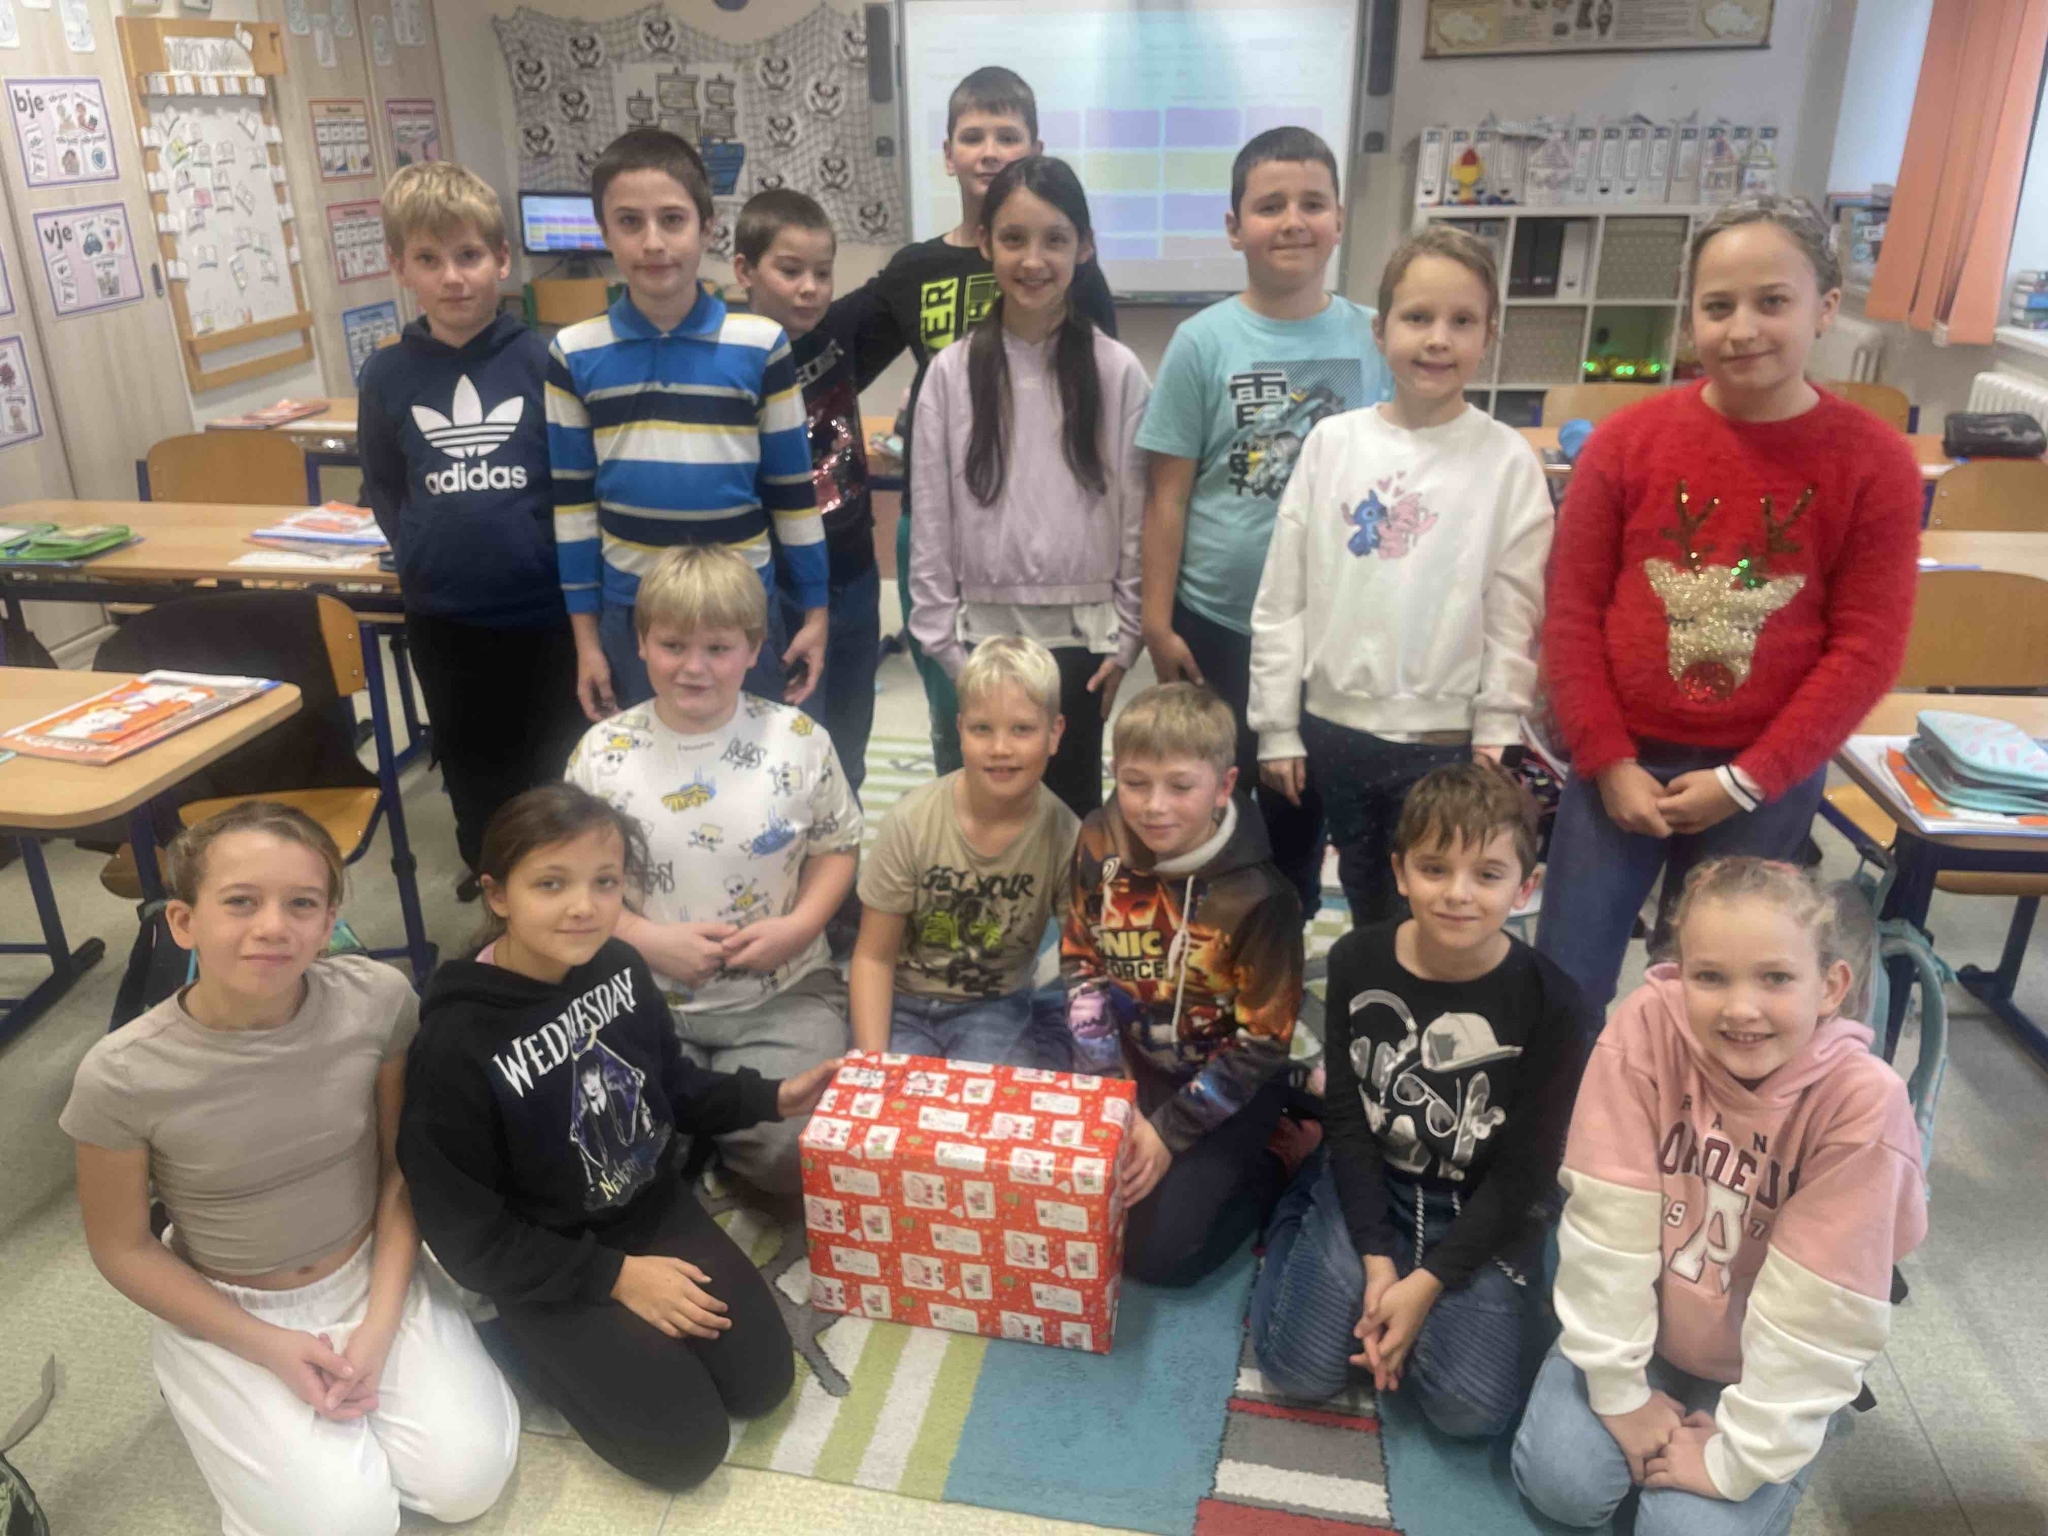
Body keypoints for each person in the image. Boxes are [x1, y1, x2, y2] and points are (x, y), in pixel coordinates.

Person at [62, 802, 516, 1536]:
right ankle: (202, 1384)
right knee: (346, 1524)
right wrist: (269, 1347)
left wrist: (379, 1323)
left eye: (302, 904)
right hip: (233, 1305)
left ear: (330, 919)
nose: (273, 926)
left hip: (372, 1268)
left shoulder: (377, 1000)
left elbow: (400, 1169)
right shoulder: (121, 1074)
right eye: (241, 902)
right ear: (183, 921)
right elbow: (122, 1247)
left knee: (467, 1484)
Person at [1535, 194, 1922, 1009]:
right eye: (1717, 307)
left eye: (1772, 301)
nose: (1742, 329)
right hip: (1618, 761)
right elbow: (1570, 615)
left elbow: (1866, 648)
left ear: (1826, 308)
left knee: (1724, 990)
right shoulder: (1624, 444)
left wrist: (1749, 780)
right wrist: (1607, 760)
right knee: (1566, 981)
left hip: (1765, 769)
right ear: (1692, 318)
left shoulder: (1876, 462)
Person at [398, 783, 838, 1490]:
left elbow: (672, 1085)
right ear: (497, 894)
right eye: (551, 883)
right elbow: (467, 1236)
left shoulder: (620, 968)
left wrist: (772, 1097)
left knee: (762, 1383)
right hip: (546, 1258)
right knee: (684, 1450)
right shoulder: (454, 1044)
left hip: (648, 1209)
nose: (584, 906)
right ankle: (512, 1341)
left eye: (604, 882)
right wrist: (615, 1277)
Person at [1513, 857, 1926, 1533]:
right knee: (1562, 1484)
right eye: (1709, 977)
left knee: (1683, 1529)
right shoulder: (1648, 1027)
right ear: (1678, 977)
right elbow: (1605, 1227)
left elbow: (1820, 1311)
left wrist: (1743, 1457)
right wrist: (1619, 1391)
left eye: (1776, 978)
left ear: (1830, 987)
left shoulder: (1863, 1104)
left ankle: (1763, 1443)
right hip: (1647, 1325)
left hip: (1763, 1362)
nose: (1741, 1008)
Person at [1250, 763, 1594, 1438]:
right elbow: (1348, 1116)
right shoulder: (1356, 959)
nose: (1458, 894)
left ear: (1525, 887)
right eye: (1435, 869)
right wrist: (1378, 1260)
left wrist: (1425, 1284)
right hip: (1369, 1179)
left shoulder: (1557, 1003)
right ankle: (1298, 1210)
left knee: (1470, 1413)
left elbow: (1527, 1171)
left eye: (1487, 875)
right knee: (1299, 1374)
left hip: (1480, 1203)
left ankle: (1407, 1297)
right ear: (1401, 872)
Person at [1248, 225, 1551, 927]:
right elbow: (1283, 596)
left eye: (1462, 321)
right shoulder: (1332, 443)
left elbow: (1515, 609)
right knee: (1367, 897)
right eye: (1418, 318)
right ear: (1381, 331)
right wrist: (1276, 726)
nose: (1438, 339)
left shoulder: (1508, 461)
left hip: (1445, 741)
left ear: (1489, 335)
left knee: (1438, 912)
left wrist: (1497, 721)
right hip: (1335, 729)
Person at [1137, 125, 1396, 917]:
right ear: (1233, 226)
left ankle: (1285, 933)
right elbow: (1168, 496)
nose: (1292, 221)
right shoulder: (1201, 342)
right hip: (1219, 620)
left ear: (1340, 219)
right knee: (1214, 796)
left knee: (1301, 803)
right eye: (1269, 205)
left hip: (1333, 623)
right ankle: (1207, 943)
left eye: (1312, 203)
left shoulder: (1376, 337)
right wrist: (1156, 621)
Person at [831, 65, 1119, 776]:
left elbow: (1098, 399)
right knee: (957, 720)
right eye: (973, 136)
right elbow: (835, 353)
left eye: (1007, 136)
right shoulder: (916, 267)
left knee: (1048, 734)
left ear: (1035, 149)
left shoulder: (1072, 271)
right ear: (948, 154)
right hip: (940, 518)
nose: (990, 151)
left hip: (1043, 529)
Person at [563, 544, 862, 1194]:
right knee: (612, 1160)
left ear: (754, 649)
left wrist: (800, 926)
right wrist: (645, 938)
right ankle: (699, 1129)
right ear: (641, 643)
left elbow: (836, 848)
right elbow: (573, 882)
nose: (694, 667)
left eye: (718, 648)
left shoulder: (800, 741)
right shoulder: (601, 754)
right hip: (639, 995)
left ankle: (715, 1130)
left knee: (794, 1161)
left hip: (782, 994)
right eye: (672, 645)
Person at [358, 161, 588, 900]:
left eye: (469, 255)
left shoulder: (547, 359)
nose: (453, 278)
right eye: (429, 259)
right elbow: (383, 483)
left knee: (556, 759)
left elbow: (575, 478)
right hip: (445, 616)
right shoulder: (385, 375)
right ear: (400, 267)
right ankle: (496, 884)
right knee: (469, 758)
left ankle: (562, 884)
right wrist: (418, 552)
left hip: (546, 610)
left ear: (502, 259)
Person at [547, 128, 827, 720]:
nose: (653, 242)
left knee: (755, 762)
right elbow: (573, 511)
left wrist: (816, 610)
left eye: (672, 220)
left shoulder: (762, 344)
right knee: (644, 766)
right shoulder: (573, 353)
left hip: (742, 612)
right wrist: (586, 640)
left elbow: (794, 496)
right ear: (604, 233)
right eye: (629, 222)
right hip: (635, 616)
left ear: (708, 229)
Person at [908, 155, 1148, 817]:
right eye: (1014, 238)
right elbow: (931, 518)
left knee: (1070, 821)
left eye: (1055, 240)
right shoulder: (951, 374)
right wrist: (945, 649)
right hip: (981, 643)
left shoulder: (1117, 371)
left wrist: (1128, 638)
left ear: (1084, 247)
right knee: (987, 820)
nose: (1033, 260)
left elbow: (1135, 514)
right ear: (985, 243)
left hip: (1084, 643)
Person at [1061, 682, 1312, 1286]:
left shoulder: (1264, 898)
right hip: (1129, 1064)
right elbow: (1080, 964)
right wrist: (1111, 1096)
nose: (1154, 807)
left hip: (1232, 1080)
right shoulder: (1097, 838)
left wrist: (1167, 1133)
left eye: (1180, 786)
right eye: (1135, 783)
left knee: (1160, 1258)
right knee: (1075, 1208)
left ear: (1224, 786)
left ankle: (1285, 1149)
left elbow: (1262, 1043)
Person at [732, 187, 897, 798]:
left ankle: (843, 856)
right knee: (786, 755)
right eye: (790, 271)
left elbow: (904, 277)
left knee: (848, 754)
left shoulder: (838, 333)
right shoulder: (729, 357)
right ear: (746, 270)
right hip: (776, 592)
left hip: (854, 578)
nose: (810, 288)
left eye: (822, 273)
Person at [850, 635, 1080, 1066]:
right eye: (982, 729)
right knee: (894, 1100)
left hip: (994, 1005)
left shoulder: (1067, 836)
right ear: (960, 731)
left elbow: (1084, 963)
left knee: (996, 1100)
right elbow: (873, 958)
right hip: (901, 1000)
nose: (1000, 748)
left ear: (1054, 733)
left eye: (1022, 729)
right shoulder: (910, 821)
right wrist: (874, 1069)